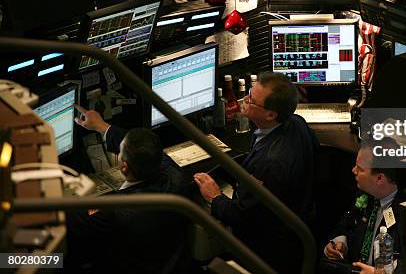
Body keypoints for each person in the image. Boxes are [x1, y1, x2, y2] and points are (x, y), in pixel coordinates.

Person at [194, 71, 319, 273]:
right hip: (297, 227)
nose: (245, 99)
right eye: (249, 93)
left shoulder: (270, 162)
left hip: (269, 250)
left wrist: (214, 197)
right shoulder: (297, 123)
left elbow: (242, 216)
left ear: (270, 114)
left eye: (251, 100)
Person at [66, 108, 193, 273]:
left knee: (58, 261)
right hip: (173, 265)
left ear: (123, 166)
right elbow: (151, 150)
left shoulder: (113, 209)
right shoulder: (177, 178)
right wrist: (102, 126)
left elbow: (68, 219)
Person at [323, 138, 406, 274]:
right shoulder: (365, 194)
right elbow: (346, 225)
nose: (353, 170)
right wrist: (340, 242)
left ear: (379, 178)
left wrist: (381, 273)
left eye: (360, 169)